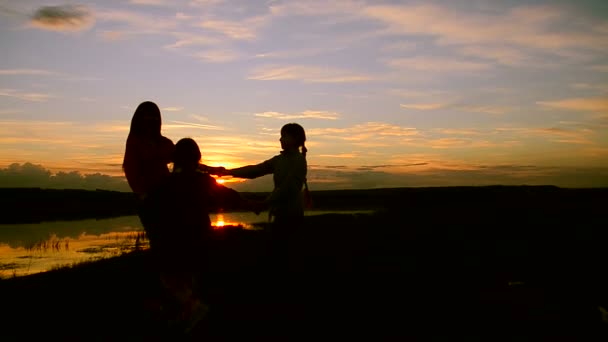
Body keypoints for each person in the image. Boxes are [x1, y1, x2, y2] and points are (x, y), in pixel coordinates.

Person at [144, 137, 256, 333]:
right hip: (200, 239)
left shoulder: (165, 184)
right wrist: (252, 205)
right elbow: (228, 195)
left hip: (175, 243)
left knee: (175, 280)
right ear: (197, 157)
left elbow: (150, 207)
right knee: (189, 280)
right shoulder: (202, 181)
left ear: (175, 159)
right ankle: (191, 315)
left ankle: (189, 316)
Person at [122, 101, 223, 246]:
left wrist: (211, 169)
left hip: (167, 194)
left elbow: (187, 159)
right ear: (139, 118)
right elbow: (130, 170)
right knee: (158, 239)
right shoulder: (134, 142)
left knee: (174, 238)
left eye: (155, 116)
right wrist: (143, 195)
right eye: (148, 116)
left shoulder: (164, 143)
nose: (152, 119)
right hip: (148, 199)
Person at [222, 123, 311, 235]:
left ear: (295, 138)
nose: (280, 139)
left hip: (292, 217)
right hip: (279, 215)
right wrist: (227, 172)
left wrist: (265, 203)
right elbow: (255, 170)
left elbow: (287, 188)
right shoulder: (279, 160)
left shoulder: (299, 161)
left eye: (284, 136)